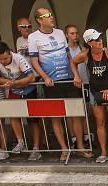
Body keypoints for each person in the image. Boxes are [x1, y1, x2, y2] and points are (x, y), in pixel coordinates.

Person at [27, 7, 87, 161]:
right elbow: (34, 61)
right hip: (52, 83)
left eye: (51, 14)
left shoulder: (60, 32)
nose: (51, 17)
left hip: (68, 79)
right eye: (47, 15)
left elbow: (69, 57)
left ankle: (80, 147)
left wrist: (76, 75)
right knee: (56, 117)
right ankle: (64, 149)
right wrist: (45, 77)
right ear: (39, 20)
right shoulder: (33, 37)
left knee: (76, 114)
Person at [72, 29, 108, 165]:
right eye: (96, 40)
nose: (100, 42)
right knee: (100, 122)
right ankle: (103, 152)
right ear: (89, 43)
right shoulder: (85, 55)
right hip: (95, 92)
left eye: (100, 38)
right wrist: (76, 75)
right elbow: (73, 62)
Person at [0, 41, 42, 160]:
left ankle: (36, 148)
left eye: (5, 58)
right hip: (13, 90)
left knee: (33, 120)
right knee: (13, 116)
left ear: (10, 53)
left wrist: (14, 83)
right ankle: (20, 142)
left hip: (29, 89)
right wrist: (7, 83)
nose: (2, 62)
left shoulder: (19, 58)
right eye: (0, 59)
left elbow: (31, 77)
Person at [65, 24, 90, 153]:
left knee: (84, 111)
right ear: (67, 35)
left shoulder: (83, 48)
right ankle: (73, 137)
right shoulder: (66, 50)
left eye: (76, 33)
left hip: (84, 82)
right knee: (72, 113)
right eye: (72, 33)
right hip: (72, 82)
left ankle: (86, 136)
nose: (75, 36)